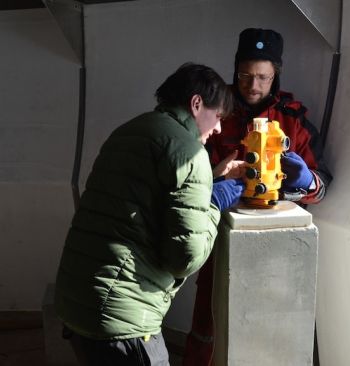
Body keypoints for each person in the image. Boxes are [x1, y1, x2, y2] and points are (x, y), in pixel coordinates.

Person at [54, 63, 245, 366]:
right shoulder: (190, 153)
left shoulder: (130, 131)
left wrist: (212, 183)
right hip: (122, 319)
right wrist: (213, 202)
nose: (219, 128)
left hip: (77, 301)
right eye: (218, 116)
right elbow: (185, 257)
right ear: (196, 104)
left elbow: (146, 204)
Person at [183, 28, 333, 365]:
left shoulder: (294, 119)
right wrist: (214, 183)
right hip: (219, 236)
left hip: (277, 249)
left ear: (276, 75)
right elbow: (185, 181)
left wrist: (306, 180)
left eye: (263, 78)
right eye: (246, 76)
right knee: (209, 322)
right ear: (235, 71)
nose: (253, 86)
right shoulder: (215, 114)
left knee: (270, 327)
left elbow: (322, 186)